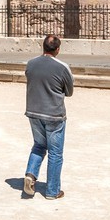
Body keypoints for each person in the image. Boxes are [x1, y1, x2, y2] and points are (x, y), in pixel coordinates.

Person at [23, 34, 74, 200]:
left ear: (43, 47)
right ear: (58, 49)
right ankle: (52, 191)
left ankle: (31, 174)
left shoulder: (31, 64)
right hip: (53, 114)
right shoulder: (62, 67)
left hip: (33, 111)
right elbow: (69, 92)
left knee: (39, 145)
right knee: (55, 153)